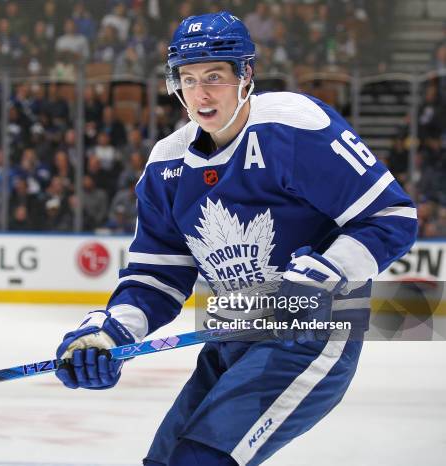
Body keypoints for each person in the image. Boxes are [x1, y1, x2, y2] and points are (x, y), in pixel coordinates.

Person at [55, 11, 417, 466]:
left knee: (201, 460)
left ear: (246, 75)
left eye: (214, 77)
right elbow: (156, 278)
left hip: (312, 331)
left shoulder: (294, 128)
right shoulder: (166, 166)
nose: (200, 93)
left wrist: (324, 272)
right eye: (188, 79)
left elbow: (391, 215)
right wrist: (109, 333)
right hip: (236, 328)